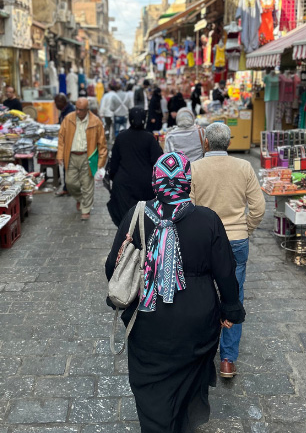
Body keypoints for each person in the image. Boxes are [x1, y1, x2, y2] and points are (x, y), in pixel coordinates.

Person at [106, 152, 245, 433]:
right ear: (187, 181)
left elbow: (113, 267)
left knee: (151, 386)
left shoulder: (135, 215)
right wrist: (230, 309)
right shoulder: (207, 220)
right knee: (189, 380)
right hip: (197, 321)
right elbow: (226, 271)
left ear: (155, 181)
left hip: (148, 321)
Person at [190, 123, 265, 379]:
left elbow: (187, 207)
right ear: (229, 144)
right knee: (234, 296)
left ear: (206, 143)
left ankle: (202, 354)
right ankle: (227, 360)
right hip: (236, 239)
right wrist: (246, 229)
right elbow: (258, 207)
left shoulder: (195, 168)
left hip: (204, 241)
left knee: (202, 295)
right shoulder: (243, 167)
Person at [107, 107, 162, 226]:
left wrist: (112, 178)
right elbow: (158, 161)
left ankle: (126, 237)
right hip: (145, 185)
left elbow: (114, 161)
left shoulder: (121, 137)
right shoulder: (149, 138)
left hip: (123, 183)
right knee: (143, 217)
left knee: (125, 218)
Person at [57, 98, 107, 220]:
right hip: (71, 156)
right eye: (77, 109)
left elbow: (102, 143)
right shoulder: (68, 118)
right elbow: (61, 138)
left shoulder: (95, 122)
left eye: (81, 110)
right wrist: (60, 155)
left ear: (87, 110)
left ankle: (86, 209)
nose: (78, 112)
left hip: (88, 156)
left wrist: (101, 161)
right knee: (70, 183)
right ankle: (81, 198)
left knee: (87, 184)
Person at [54, 93, 76, 197]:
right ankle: (67, 188)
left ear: (62, 102)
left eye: (56, 103)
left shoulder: (70, 111)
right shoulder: (64, 110)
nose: (55, 105)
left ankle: (70, 188)